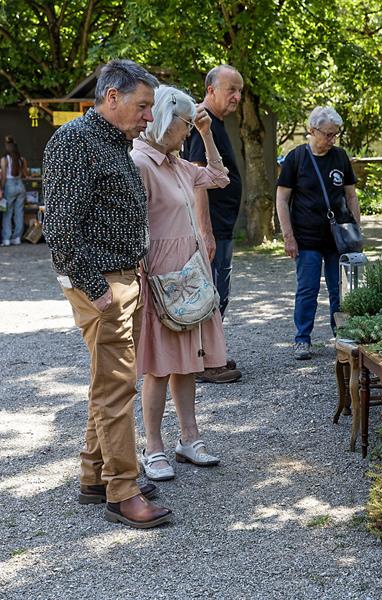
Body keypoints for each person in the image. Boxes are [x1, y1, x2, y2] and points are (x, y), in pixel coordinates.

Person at [42, 59, 172, 528]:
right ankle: (122, 491)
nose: (148, 117)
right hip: (101, 282)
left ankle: (94, 476)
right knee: (118, 386)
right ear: (111, 97)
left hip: (123, 277)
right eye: (142, 106)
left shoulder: (117, 142)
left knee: (109, 381)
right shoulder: (76, 141)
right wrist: (97, 289)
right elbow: (59, 230)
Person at [131, 86, 234, 481]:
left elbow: (219, 176)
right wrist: (144, 276)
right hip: (160, 276)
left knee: (187, 364)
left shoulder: (175, 163)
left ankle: (188, 437)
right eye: (186, 124)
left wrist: (207, 134)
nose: (188, 131)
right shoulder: (140, 162)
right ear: (164, 119)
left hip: (189, 275)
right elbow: (135, 225)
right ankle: (152, 446)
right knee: (157, 367)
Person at [275, 106, 359, 360]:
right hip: (306, 238)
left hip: (337, 239)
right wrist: (288, 237)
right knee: (308, 289)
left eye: (335, 135)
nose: (332, 139)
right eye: (328, 134)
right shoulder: (296, 158)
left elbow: (351, 195)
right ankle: (302, 338)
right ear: (312, 130)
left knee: (340, 290)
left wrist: (356, 230)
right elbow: (282, 199)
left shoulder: (340, 157)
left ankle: (342, 335)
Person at [182, 64, 243, 383]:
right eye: (231, 89)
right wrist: (205, 232)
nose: (237, 96)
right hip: (213, 228)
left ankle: (210, 355)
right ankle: (204, 362)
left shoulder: (214, 122)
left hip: (222, 226)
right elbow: (197, 180)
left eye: (240, 91)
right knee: (212, 295)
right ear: (210, 90)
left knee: (220, 293)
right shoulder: (201, 123)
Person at [1, 135, 29, 246]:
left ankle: (7, 239)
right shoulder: (22, 159)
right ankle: (17, 238)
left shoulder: (5, 159)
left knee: (7, 213)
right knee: (19, 213)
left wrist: (1, 188)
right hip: (20, 185)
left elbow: (3, 176)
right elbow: (26, 175)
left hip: (9, 185)